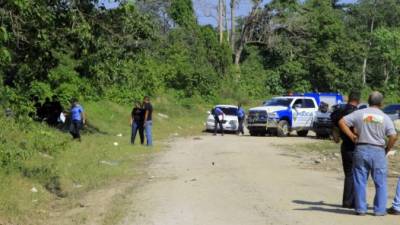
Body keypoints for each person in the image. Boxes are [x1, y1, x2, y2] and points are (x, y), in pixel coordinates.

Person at [339, 91, 397, 216]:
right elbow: (393, 136)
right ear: (381, 103)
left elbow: (342, 122)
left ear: (369, 102)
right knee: (380, 182)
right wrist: (387, 149)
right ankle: (380, 210)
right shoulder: (385, 117)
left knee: (360, 180)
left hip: (361, 149)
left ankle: (360, 209)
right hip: (378, 151)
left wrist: (352, 136)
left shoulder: (359, 113)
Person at [330, 91, 361, 209]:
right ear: (358, 101)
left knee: (348, 174)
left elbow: (334, 126)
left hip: (344, 146)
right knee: (356, 175)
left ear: (348, 99)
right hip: (355, 145)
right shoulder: (356, 113)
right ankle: (350, 202)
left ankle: (347, 201)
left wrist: (336, 138)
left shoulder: (339, 111)